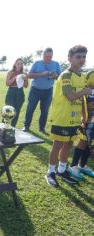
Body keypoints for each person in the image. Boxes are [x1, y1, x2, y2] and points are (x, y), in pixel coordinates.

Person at [45, 45, 91, 187]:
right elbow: (70, 96)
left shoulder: (82, 76)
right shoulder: (65, 75)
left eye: (83, 57)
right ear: (69, 58)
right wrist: (85, 91)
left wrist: (84, 116)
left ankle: (62, 170)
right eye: (78, 57)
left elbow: (82, 99)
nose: (81, 60)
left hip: (75, 118)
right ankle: (50, 172)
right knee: (58, 144)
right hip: (62, 117)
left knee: (69, 144)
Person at [23, 48, 61, 134]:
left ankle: (42, 128)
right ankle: (26, 126)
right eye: (47, 56)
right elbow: (29, 75)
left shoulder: (56, 64)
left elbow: (60, 77)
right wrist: (41, 74)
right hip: (35, 90)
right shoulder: (37, 63)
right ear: (43, 55)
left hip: (48, 91)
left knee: (45, 111)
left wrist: (55, 76)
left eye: (50, 56)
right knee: (30, 109)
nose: (48, 58)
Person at [68, 71, 94, 180]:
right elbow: (83, 97)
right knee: (83, 140)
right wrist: (84, 117)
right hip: (88, 117)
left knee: (91, 141)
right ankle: (73, 166)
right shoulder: (90, 74)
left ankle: (82, 165)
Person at [5, 58, 29, 127]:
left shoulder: (24, 74)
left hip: (20, 92)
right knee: (8, 110)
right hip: (11, 92)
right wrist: (15, 78)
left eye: (21, 64)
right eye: (18, 63)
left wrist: (25, 80)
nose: (20, 65)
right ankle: (5, 126)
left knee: (16, 111)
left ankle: (12, 127)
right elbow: (7, 83)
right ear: (15, 64)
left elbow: (26, 86)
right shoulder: (10, 72)